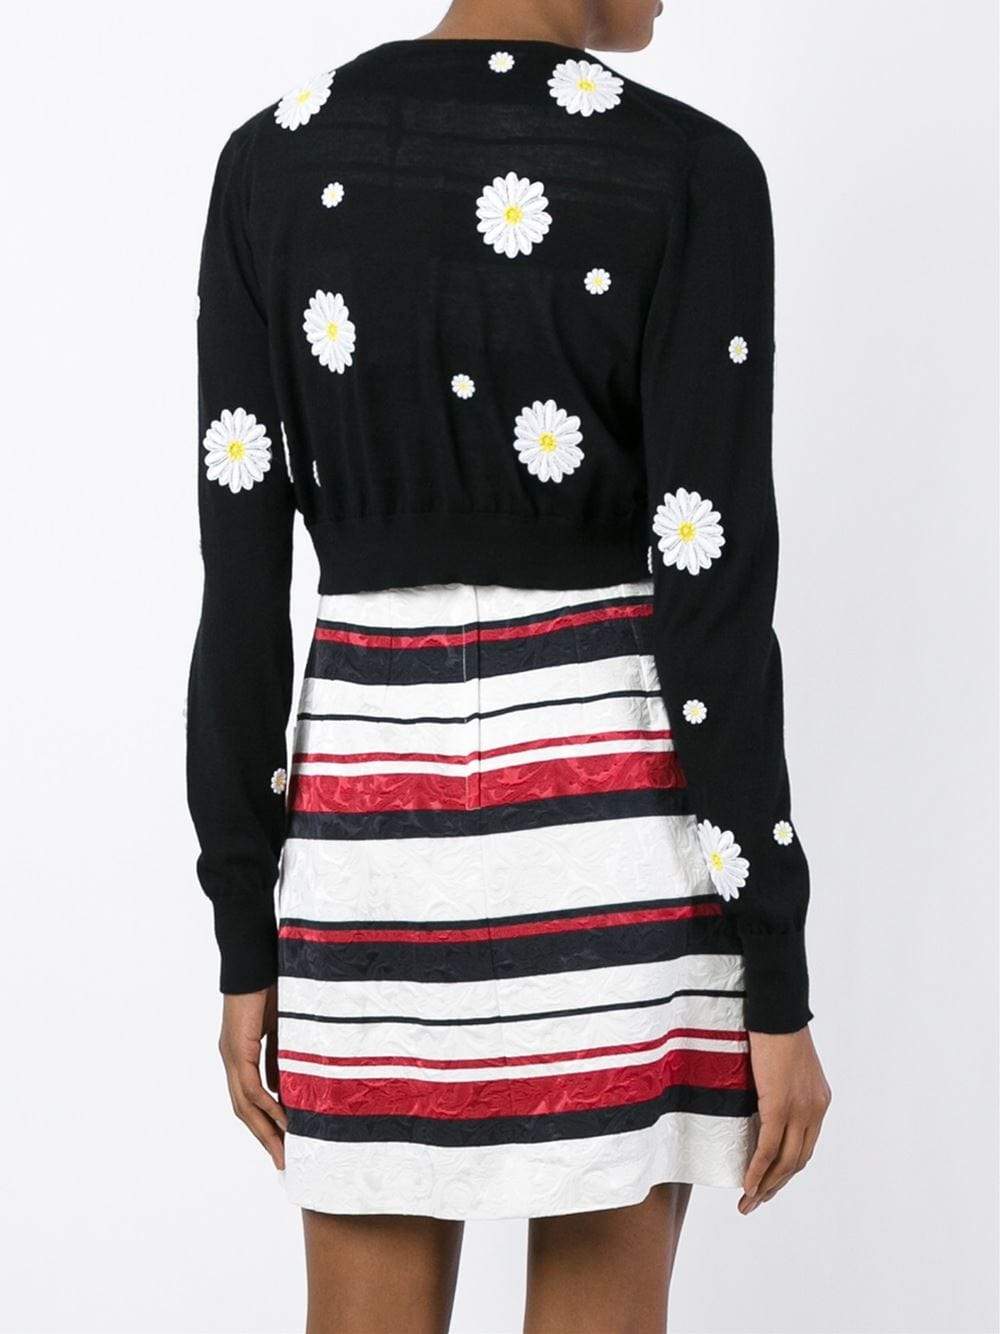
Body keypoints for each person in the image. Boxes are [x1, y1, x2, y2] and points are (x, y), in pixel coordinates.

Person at [186, 0, 832, 1328]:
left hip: (370, 838)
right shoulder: (687, 171)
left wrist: (245, 929)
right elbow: (713, 600)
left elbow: (241, 592)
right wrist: (774, 961)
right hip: (614, 828)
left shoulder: (274, 160)